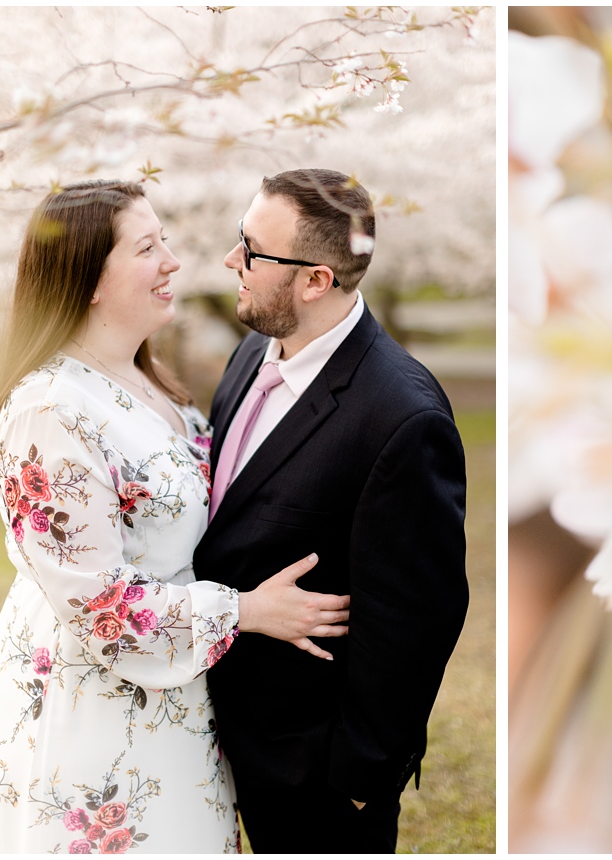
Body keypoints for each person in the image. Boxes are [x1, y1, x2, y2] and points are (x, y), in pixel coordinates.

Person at [0, 180, 353, 853]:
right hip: (92, 715)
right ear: (87, 278)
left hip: (173, 699)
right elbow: (102, 608)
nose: (173, 261)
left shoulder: (145, 378)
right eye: (147, 247)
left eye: (165, 240)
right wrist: (247, 611)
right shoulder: (49, 412)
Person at [194, 169, 469, 852]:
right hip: (215, 742)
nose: (234, 261)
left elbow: (418, 621)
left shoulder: (402, 417)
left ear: (316, 280)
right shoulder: (250, 352)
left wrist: (357, 777)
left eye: (252, 250)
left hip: (313, 780)